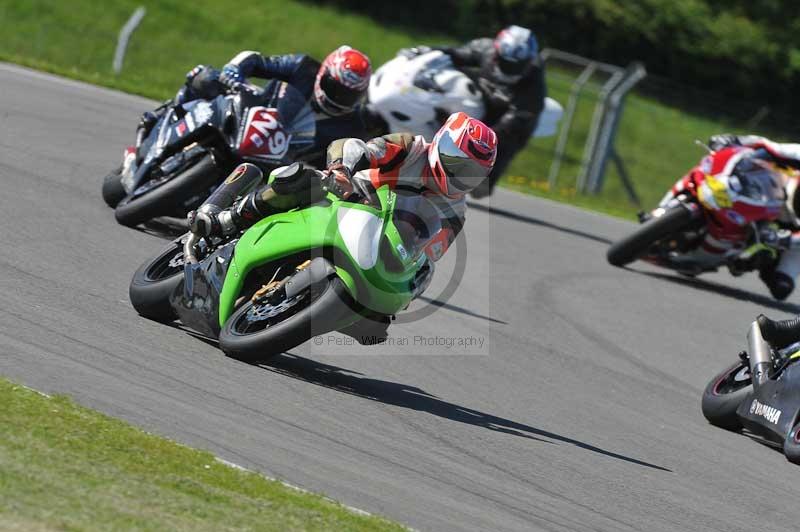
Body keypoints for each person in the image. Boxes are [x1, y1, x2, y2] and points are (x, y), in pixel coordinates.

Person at [187, 112, 498, 340]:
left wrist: (403, 288)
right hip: (346, 198)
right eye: (457, 161)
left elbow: (428, 254)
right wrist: (341, 170)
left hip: (376, 242)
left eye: (472, 172)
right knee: (299, 180)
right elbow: (353, 146)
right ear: (440, 142)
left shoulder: (456, 210)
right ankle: (230, 218)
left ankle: (334, 311)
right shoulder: (410, 147)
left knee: (398, 300)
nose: (461, 174)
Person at [139, 46, 382, 167]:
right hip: (253, 118)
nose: (340, 96)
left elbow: (336, 164)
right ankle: (163, 117)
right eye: (336, 86)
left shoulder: (352, 128)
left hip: (277, 164)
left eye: (350, 94)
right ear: (324, 73)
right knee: (204, 77)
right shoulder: (303, 67)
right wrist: (234, 72)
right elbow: (255, 60)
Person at [400, 25, 545, 198]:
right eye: (505, 62)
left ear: (528, 63)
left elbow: (512, 124)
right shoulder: (485, 48)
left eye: (515, 66)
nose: (509, 69)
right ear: (497, 53)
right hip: (479, 103)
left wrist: (477, 142)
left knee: (480, 188)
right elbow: (455, 53)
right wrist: (427, 51)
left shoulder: (533, 88)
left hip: (507, 127)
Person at [702, 134, 800, 300]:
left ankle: (756, 261)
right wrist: (732, 140)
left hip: (794, 229)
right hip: (773, 192)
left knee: (781, 287)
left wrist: (785, 240)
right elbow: (764, 144)